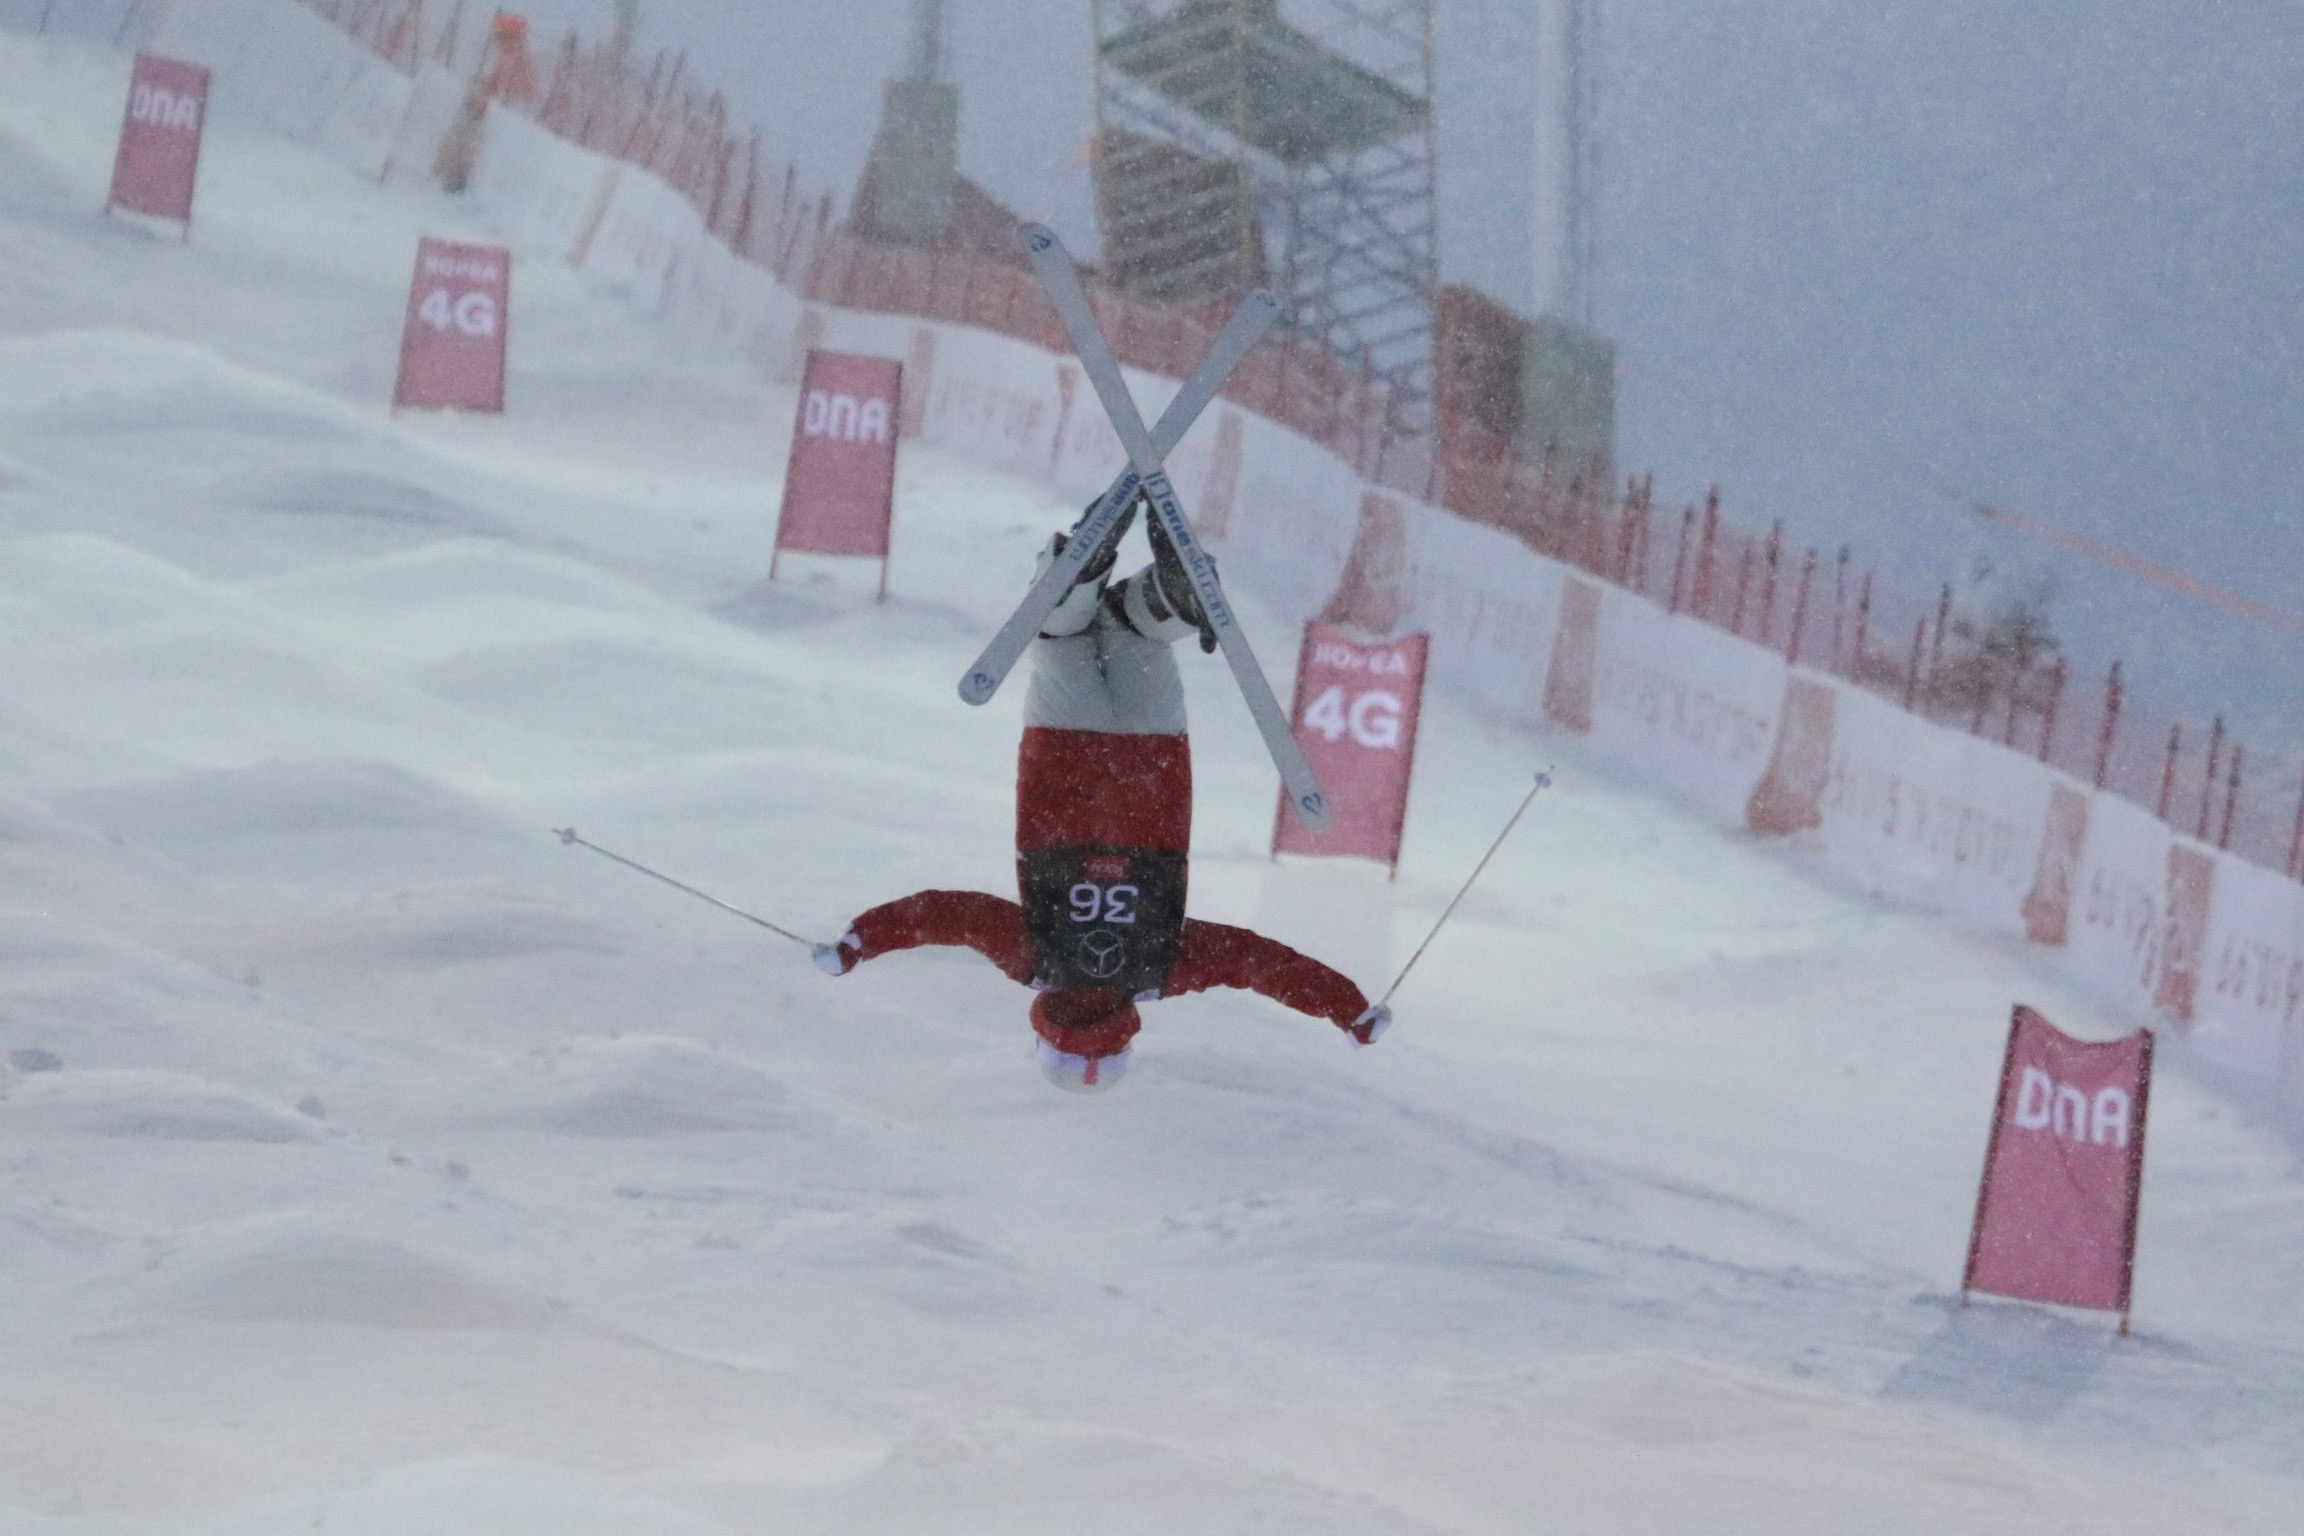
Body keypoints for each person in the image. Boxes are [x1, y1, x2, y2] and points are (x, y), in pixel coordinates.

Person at [814, 496, 1392, 1092]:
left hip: (1153, 762)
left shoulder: (1163, 968)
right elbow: (948, 916)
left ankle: (1170, 599)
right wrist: (862, 940)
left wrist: (1346, 1008)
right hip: (1064, 755)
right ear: (1044, 1028)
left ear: (1126, 1029)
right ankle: (1074, 573)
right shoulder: (1034, 958)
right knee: (1060, 636)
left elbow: (1256, 963)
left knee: (1135, 638)